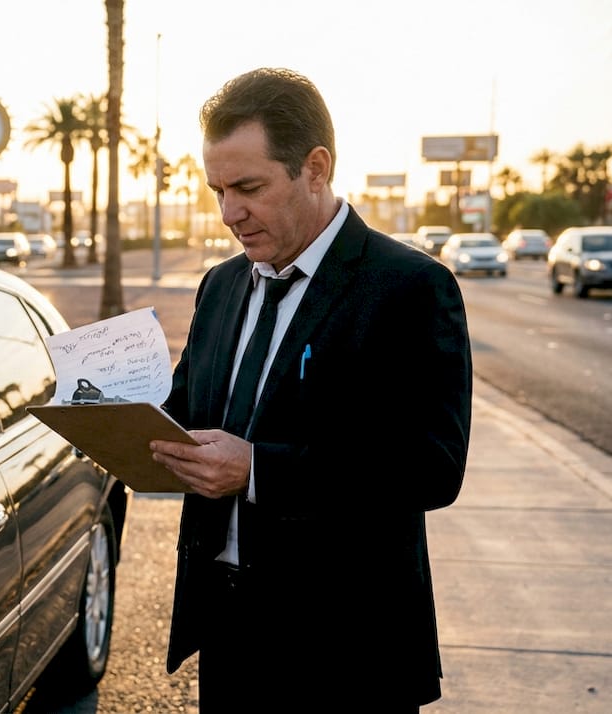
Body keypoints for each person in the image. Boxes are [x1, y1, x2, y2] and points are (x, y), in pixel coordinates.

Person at [148, 67, 473, 711]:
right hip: (229, 635)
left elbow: (432, 467)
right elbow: (188, 412)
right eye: (216, 190)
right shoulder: (220, 286)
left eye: (248, 187)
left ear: (315, 167)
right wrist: (110, 419)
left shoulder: (408, 287)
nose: (228, 213)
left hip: (350, 651)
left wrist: (258, 471)